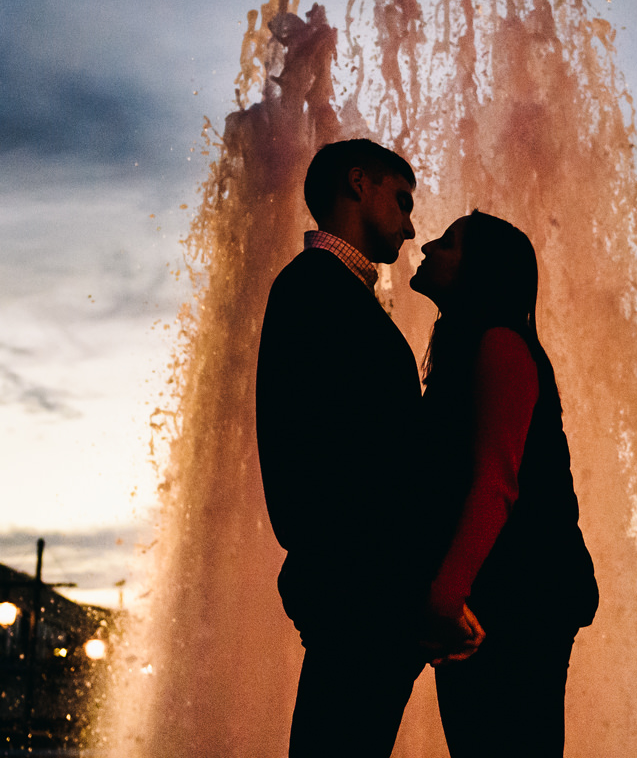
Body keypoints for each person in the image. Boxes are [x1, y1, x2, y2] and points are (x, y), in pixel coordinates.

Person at [255, 138, 481, 758]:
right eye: (403, 202)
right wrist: (407, 587)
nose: (412, 228)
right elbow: (341, 461)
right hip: (359, 595)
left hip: (358, 590)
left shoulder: (328, 292)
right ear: (359, 183)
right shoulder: (315, 291)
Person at [411, 211, 600, 758]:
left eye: (446, 244)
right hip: (502, 597)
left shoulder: (499, 343)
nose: (426, 247)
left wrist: (446, 594)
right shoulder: (475, 344)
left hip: (516, 601)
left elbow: (497, 480)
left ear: (480, 268)